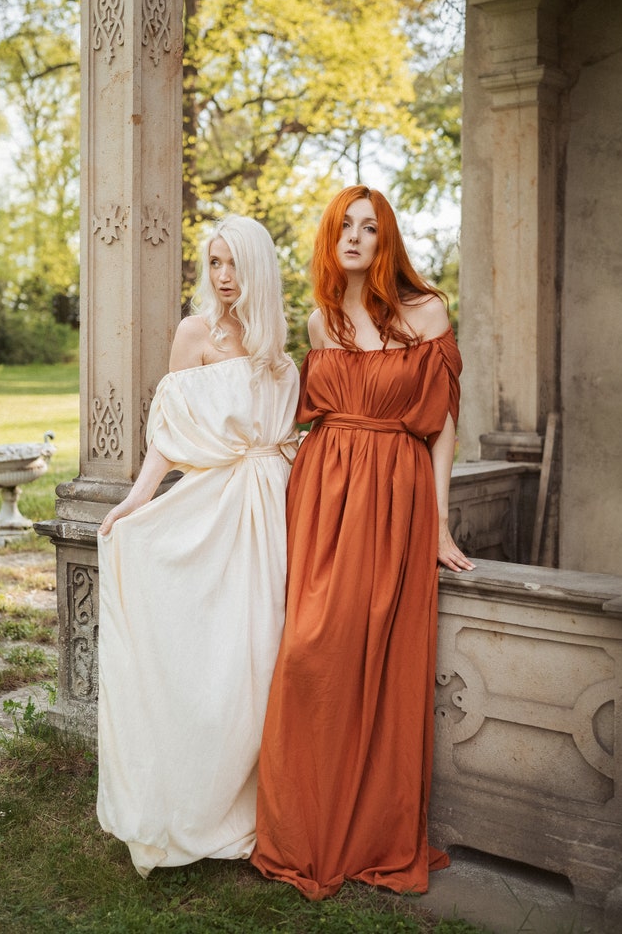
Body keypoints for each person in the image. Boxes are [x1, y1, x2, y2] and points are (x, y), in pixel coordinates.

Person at [251, 184, 475, 900]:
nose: (354, 237)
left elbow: (441, 426)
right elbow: (301, 421)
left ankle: (369, 836)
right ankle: (303, 833)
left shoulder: (428, 311)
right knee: (308, 653)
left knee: (381, 657)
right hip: (321, 495)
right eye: (343, 226)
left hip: (395, 496)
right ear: (329, 236)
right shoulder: (320, 322)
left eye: (369, 228)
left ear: (387, 241)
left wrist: (439, 521)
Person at [96, 214, 299, 878]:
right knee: (214, 656)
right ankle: (193, 801)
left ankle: (259, 803)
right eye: (213, 264)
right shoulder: (196, 332)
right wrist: (136, 499)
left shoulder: (276, 340)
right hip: (217, 508)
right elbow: (169, 430)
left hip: (275, 506)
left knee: (267, 650)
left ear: (257, 268)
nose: (222, 278)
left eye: (233, 264)